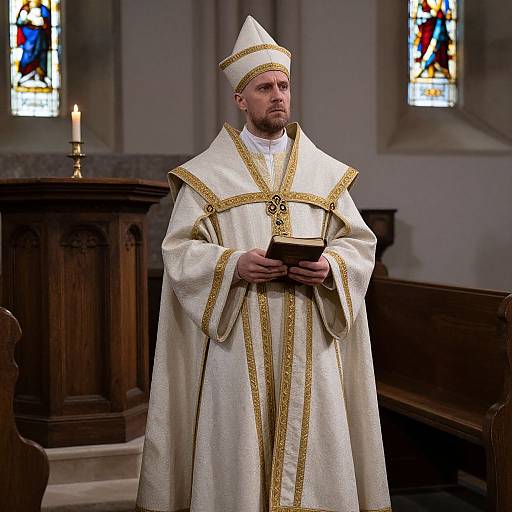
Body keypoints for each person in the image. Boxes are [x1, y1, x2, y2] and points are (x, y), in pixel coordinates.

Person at [136, 15, 391, 512]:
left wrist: (332, 268)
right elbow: (179, 251)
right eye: (264, 87)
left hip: (311, 340)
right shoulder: (206, 177)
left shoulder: (325, 174)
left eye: (283, 86)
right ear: (240, 99)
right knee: (239, 457)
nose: (278, 95)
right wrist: (233, 264)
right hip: (238, 341)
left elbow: (358, 243)